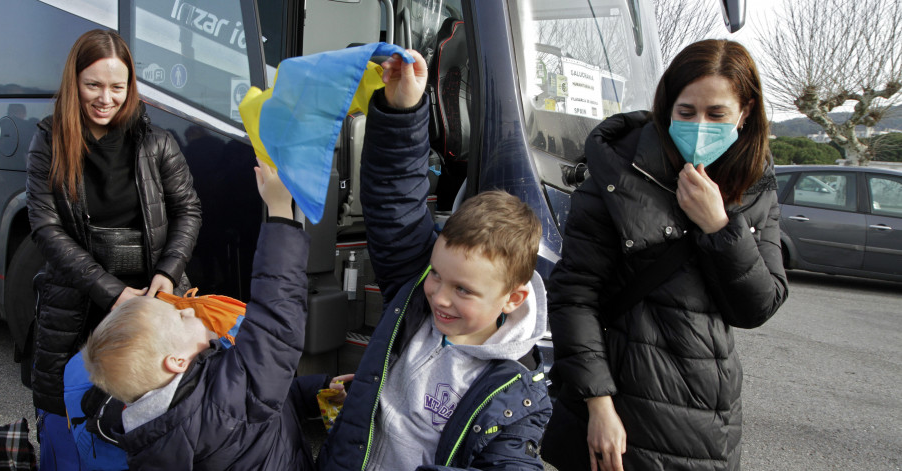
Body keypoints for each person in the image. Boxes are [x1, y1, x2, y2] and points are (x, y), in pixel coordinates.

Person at [542, 39, 789, 471]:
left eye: (717, 115)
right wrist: (598, 405)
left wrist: (720, 226)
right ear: (666, 105)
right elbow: (574, 294)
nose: (699, 126)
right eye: (686, 111)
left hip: (709, 413)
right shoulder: (619, 171)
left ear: (745, 112)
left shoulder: (754, 183)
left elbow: (757, 306)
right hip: (622, 406)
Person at [317, 49, 552, 471]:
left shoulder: (517, 396)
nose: (438, 297)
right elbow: (395, 201)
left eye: (462, 289)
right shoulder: (416, 299)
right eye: (437, 276)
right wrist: (403, 110)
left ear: (513, 299)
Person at [79, 160, 332, 470]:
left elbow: (262, 400)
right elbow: (276, 324)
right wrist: (280, 213)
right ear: (176, 360)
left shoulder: (155, 431)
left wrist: (317, 393)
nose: (189, 312)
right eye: (181, 317)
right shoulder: (223, 399)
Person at [25, 29, 201, 468]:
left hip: (155, 302)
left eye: (117, 87)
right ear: (74, 83)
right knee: (67, 414)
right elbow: (46, 229)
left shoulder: (156, 141)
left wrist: (167, 272)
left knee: (157, 419)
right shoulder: (48, 141)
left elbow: (188, 211)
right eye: (93, 85)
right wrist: (114, 294)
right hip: (76, 303)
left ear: (130, 87)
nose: (106, 98)